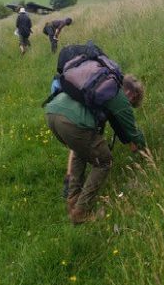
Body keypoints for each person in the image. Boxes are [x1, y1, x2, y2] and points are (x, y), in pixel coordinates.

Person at [45, 74, 147, 224]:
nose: (129, 103)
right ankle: (81, 212)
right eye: (132, 101)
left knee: (81, 150)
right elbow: (131, 131)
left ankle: (73, 200)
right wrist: (145, 148)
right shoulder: (117, 94)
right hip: (71, 120)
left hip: (52, 111)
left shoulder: (100, 84)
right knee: (105, 161)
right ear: (131, 93)